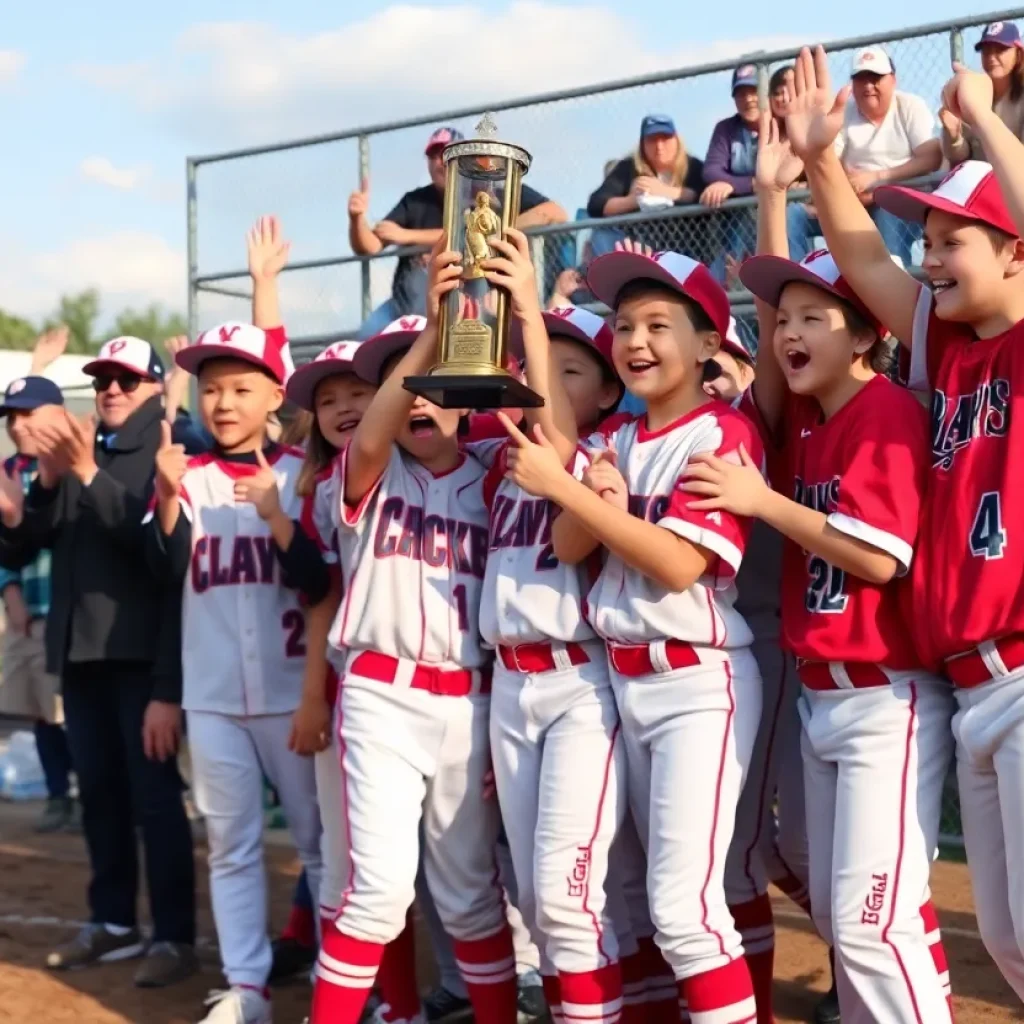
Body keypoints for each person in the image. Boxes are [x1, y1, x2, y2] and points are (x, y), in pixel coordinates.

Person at [686, 101, 955, 1022]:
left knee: (872, 928)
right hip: (820, 695)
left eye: (815, 315)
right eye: (782, 318)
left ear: (867, 332)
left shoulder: (887, 411)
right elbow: (768, 340)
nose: (790, 331)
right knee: (836, 900)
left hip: (887, 695)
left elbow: (880, 565)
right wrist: (771, 197)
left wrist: (765, 504)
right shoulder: (806, 414)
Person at [782, 46, 1024, 1002]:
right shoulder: (946, 346)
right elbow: (864, 258)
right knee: (1006, 946)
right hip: (970, 688)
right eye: (927, 239)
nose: (928, 257)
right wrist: (820, 162)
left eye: (952, 237)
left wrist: (991, 121)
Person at [499, 246, 765, 1024]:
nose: (635, 340)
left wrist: (582, 498)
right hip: (623, 683)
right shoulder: (614, 438)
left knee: (686, 909)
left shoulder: (719, 433)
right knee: (632, 900)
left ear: (710, 343)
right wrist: (524, 305)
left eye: (658, 324)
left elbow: (680, 565)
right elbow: (570, 533)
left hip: (697, 683)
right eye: (623, 325)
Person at [310, 243, 518, 1024]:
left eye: (438, 385)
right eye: (405, 385)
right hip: (382, 695)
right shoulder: (370, 471)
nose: (420, 400)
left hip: (468, 701)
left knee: (469, 896)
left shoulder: (496, 474)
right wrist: (434, 331)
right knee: (378, 893)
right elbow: (369, 438)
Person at [0, 335, 197, 987]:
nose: (111, 389)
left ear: (151, 386)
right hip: (80, 657)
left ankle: (173, 935)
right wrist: (51, 483)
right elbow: (25, 549)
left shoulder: (169, 445)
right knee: (101, 801)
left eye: (126, 379)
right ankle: (112, 923)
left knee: (156, 803)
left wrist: (84, 472)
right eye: (103, 379)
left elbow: (160, 558)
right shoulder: (88, 447)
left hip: (142, 660)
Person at [149, 319, 329, 1024]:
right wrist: (165, 498)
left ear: (274, 395)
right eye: (211, 388)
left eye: (240, 388)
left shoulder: (302, 475)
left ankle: (338, 978)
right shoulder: (183, 477)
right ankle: (247, 987)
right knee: (231, 844)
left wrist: (278, 514)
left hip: (293, 697)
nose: (222, 402)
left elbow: (317, 582)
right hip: (214, 697)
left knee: (319, 846)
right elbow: (164, 574)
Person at [482, 237, 629, 1023]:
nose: (540, 387)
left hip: (577, 683)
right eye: (539, 369)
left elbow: (554, 424)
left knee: (568, 896)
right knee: (540, 898)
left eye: (573, 372)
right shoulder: (498, 461)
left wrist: (532, 311)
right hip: (509, 685)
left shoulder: (590, 454)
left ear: (606, 392)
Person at [348, 126, 566, 338]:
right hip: (405, 306)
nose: (438, 162)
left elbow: (554, 213)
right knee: (366, 337)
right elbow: (369, 246)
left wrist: (496, 229)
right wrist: (357, 218)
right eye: (432, 156)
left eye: (445, 154)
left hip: (467, 301)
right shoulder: (415, 201)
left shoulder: (486, 189)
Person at [0, 376, 75, 832]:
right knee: (34, 709)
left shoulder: (68, 465)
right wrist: (9, 592)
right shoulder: (8, 469)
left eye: (27, 413)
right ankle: (57, 796)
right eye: (12, 416)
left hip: (62, 610)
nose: (17, 424)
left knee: (64, 710)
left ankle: (83, 792)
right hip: (23, 609)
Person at [787, 45, 942, 265]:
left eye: (876, 77)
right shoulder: (844, 111)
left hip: (901, 204)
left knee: (887, 212)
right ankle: (802, 285)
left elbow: (931, 158)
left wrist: (877, 181)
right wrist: (842, 191)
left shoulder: (910, 105)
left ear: (893, 80)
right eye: (861, 79)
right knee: (794, 215)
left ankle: (898, 290)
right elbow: (831, 160)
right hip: (853, 202)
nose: (868, 86)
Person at [586, 115, 705, 256]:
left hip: (685, 247)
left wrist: (665, 191)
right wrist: (633, 200)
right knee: (601, 233)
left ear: (677, 140)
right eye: (652, 140)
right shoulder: (628, 168)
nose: (659, 146)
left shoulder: (693, 166)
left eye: (665, 138)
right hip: (639, 247)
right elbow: (596, 204)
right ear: (642, 144)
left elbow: (705, 193)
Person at [701, 64, 763, 280]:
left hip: (772, 211)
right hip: (735, 222)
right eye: (741, 93)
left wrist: (732, 185)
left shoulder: (778, 124)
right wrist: (749, 185)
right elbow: (711, 171)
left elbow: (776, 177)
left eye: (754, 92)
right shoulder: (726, 128)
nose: (748, 99)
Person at [942, 21, 1024, 165]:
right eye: (986, 51)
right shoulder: (972, 93)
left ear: (1018, 53)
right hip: (981, 182)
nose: (992, 57)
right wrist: (954, 137)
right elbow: (959, 157)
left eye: (1000, 49)